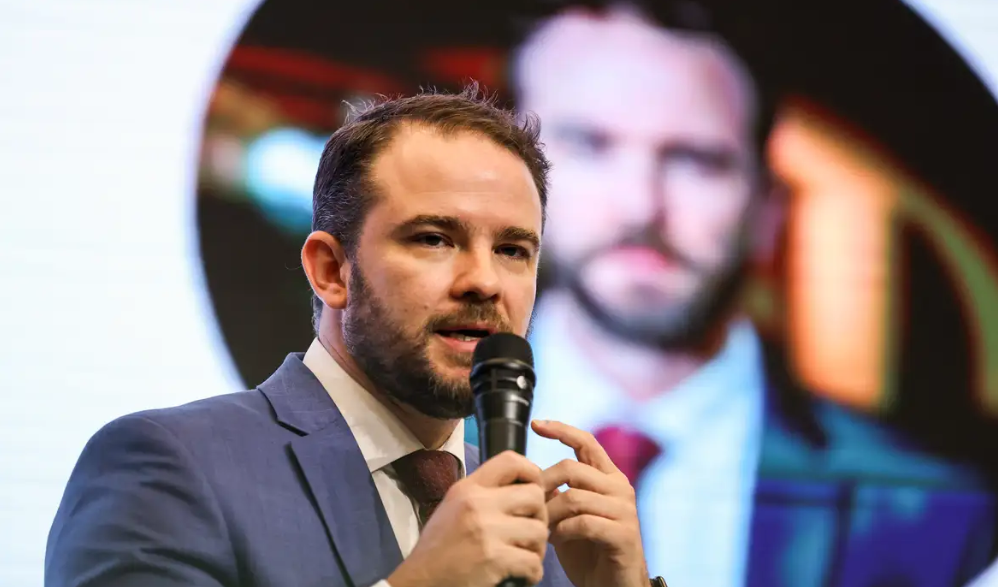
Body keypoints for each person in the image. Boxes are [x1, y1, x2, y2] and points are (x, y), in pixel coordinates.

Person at [45, 87, 660, 587]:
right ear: (331, 271)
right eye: (434, 239)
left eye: (513, 250)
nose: (484, 280)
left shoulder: (547, 531)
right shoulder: (170, 466)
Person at [509, 2, 997, 587]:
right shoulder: (410, 445)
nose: (641, 206)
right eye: (590, 144)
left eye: (696, 160)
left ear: (769, 206)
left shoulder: (934, 515)